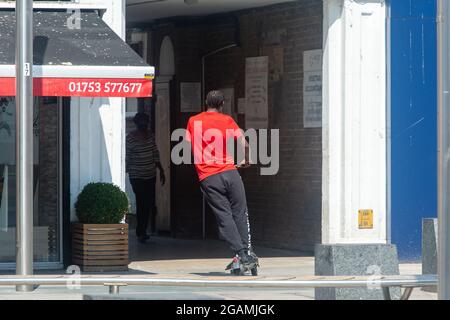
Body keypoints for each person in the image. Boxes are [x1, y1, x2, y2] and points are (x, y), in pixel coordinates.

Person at [186, 90, 258, 265]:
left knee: (224, 215)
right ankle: (247, 251)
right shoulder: (228, 120)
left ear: (205, 102)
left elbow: (188, 144)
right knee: (240, 212)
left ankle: (241, 253)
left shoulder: (193, 121)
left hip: (209, 176)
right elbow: (245, 144)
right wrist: (245, 160)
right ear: (222, 104)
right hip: (230, 172)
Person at [126, 112, 165, 243]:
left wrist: (161, 170)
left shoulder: (150, 136)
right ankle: (140, 231)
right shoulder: (130, 138)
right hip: (136, 175)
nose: (144, 125)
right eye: (141, 122)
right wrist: (127, 170)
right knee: (141, 202)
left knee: (147, 203)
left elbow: (155, 153)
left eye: (145, 122)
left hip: (150, 174)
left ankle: (142, 230)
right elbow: (128, 156)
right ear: (137, 123)